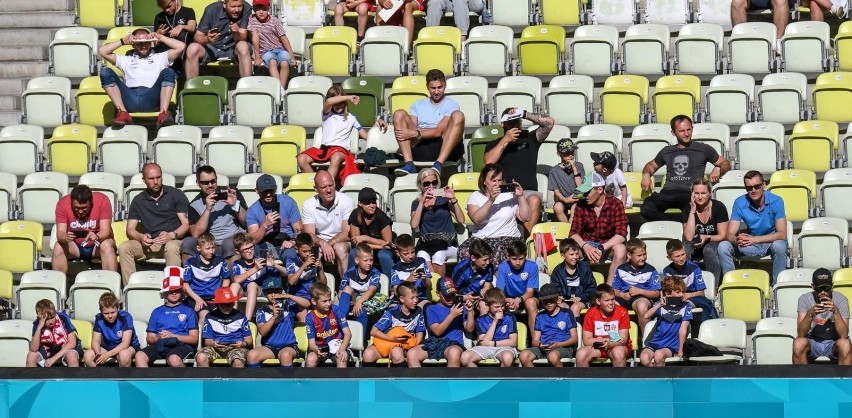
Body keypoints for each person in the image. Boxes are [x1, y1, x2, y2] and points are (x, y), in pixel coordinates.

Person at [640, 115, 730, 222]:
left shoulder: (703, 149)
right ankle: (675, 225)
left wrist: (718, 168)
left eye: (689, 129)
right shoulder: (667, 151)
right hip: (668, 192)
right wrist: (646, 175)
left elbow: (726, 163)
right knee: (646, 208)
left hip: (690, 193)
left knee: (691, 210)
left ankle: (677, 227)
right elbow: (650, 166)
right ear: (673, 133)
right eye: (682, 131)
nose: (686, 134)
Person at [483, 107, 554, 234]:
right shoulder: (494, 143)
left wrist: (525, 113)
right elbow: (489, 161)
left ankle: (525, 242)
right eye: (510, 122)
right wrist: (506, 140)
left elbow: (549, 123)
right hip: (503, 191)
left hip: (527, 192)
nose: (514, 124)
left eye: (517, 121)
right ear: (502, 123)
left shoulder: (531, 138)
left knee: (534, 200)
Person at [98, 27, 184, 128]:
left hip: (151, 96)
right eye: (139, 43)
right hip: (130, 97)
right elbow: (102, 51)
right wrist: (122, 41)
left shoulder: (160, 57)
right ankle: (122, 112)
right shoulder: (126, 59)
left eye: (146, 42)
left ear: (151, 42)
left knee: (168, 72)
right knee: (105, 72)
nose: (143, 46)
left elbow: (181, 46)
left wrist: (160, 37)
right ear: (133, 44)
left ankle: (163, 113)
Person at [297, 86, 385, 183]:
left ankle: (327, 184)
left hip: (342, 151)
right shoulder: (327, 114)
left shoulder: (352, 118)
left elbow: (366, 136)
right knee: (301, 159)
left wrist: (377, 124)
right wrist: (348, 97)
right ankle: (316, 185)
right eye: (337, 103)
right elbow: (329, 101)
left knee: (336, 156)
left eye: (341, 103)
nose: (339, 106)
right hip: (325, 150)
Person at [119, 163, 189, 285]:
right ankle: (130, 290)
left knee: (171, 247)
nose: (156, 182)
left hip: (173, 240)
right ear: (144, 180)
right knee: (125, 247)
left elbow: (186, 224)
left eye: (158, 177)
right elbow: (130, 229)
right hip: (150, 243)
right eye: (151, 179)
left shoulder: (176, 194)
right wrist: (140, 237)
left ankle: (175, 289)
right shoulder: (138, 200)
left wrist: (172, 235)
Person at [719, 170, 788, 285]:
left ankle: (777, 285)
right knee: (723, 246)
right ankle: (731, 284)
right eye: (749, 187)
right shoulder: (740, 203)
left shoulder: (776, 201)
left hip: (770, 242)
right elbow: (729, 234)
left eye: (757, 186)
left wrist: (754, 239)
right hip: (750, 244)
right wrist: (737, 240)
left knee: (780, 245)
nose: (753, 190)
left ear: (764, 185)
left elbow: (782, 234)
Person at [392, 69, 465, 176]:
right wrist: (415, 133)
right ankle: (409, 164)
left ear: (445, 86)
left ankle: (438, 164)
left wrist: (417, 133)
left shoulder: (451, 105)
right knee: (399, 114)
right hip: (420, 143)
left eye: (439, 87)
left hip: (442, 143)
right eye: (433, 88)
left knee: (458, 115)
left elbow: (439, 131)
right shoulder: (417, 104)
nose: (436, 92)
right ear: (427, 87)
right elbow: (410, 128)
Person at [457, 163, 530, 265]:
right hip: (483, 238)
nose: (497, 184)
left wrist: (521, 196)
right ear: (484, 181)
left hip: (508, 237)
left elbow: (525, 217)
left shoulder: (509, 196)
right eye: (493, 180)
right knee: (464, 250)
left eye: (499, 180)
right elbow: (477, 219)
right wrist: (491, 200)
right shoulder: (475, 196)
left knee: (501, 250)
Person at [568, 173, 628, 282]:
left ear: (600, 189)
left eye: (587, 192)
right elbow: (573, 233)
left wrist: (601, 248)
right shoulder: (581, 206)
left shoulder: (616, 204)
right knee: (571, 250)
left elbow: (621, 234)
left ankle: (610, 289)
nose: (585, 196)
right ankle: (578, 288)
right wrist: (586, 247)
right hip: (587, 243)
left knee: (621, 249)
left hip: (608, 245)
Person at [182, 165, 247, 263]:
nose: (210, 185)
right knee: (187, 243)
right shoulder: (194, 204)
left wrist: (235, 205)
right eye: (205, 182)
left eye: (213, 181)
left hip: (233, 238)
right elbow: (196, 234)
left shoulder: (231, 194)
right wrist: (208, 209)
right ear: (198, 183)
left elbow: (246, 221)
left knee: (228, 243)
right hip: (210, 243)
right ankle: (190, 276)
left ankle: (235, 277)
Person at [135, 270, 198, 368]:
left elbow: (194, 339)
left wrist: (173, 336)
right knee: (140, 356)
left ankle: (186, 382)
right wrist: (159, 337)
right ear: (165, 292)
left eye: (177, 290)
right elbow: (150, 338)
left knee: (174, 360)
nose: (174, 293)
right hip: (161, 344)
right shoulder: (157, 311)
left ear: (182, 292)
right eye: (171, 291)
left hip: (181, 346)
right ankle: (148, 382)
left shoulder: (189, 311)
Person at [246, 277, 311, 367]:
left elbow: (307, 304)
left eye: (276, 291)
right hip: (269, 347)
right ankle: (258, 381)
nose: (273, 295)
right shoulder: (261, 311)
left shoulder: (288, 306)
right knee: (252, 355)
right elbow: (262, 332)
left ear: (281, 291)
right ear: (264, 293)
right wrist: (274, 317)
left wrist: (289, 296)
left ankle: (287, 381)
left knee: (285, 355)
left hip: (289, 346)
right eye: (269, 292)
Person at [411, 167, 464, 276]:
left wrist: (453, 200)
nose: (431, 186)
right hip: (427, 244)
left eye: (434, 182)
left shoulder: (444, 200)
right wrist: (422, 203)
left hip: (447, 243)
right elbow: (414, 224)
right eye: (426, 184)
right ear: (420, 185)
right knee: (421, 255)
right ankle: (434, 287)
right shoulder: (416, 203)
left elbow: (461, 219)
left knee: (438, 255)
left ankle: (439, 287)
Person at [52, 184, 116, 274]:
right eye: (77, 208)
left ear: (91, 202)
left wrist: (97, 236)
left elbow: (106, 230)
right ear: (71, 203)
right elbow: (60, 233)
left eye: (84, 208)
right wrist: (64, 236)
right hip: (74, 245)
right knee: (58, 246)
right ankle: (58, 284)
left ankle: (111, 282)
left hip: (97, 244)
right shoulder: (63, 204)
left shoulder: (102, 200)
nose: (81, 211)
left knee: (106, 245)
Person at [302, 170, 356, 277]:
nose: (328, 190)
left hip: (342, 241)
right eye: (323, 187)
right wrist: (322, 244)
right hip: (319, 242)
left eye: (331, 185)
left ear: (335, 184)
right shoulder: (308, 205)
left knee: (340, 248)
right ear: (316, 189)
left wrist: (328, 244)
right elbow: (310, 235)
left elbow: (346, 232)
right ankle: (315, 288)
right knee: (313, 252)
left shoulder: (347, 201)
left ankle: (345, 287)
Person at [793, 268, 852, 365]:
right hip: (812, 340)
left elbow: (844, 335)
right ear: (813, 286)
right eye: (819, 288)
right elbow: (801, 334)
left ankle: (844, 380)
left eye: (827, 288)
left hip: (833, 341)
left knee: (845, 344)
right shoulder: (805, 299)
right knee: (798, 343)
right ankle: (801, 379)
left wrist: (836, 312)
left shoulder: (841, 300)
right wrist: (810, 314)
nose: (823, 292)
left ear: (832, 286)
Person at [361, 282, 427, 367]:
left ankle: (401, 379)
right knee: (368, 354)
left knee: (397, 352)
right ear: (402, 299)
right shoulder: (392, 313)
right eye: (412, 298)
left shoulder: (419, 312)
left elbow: (419, 337)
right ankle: (370, 380)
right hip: (387, 343)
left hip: (405, 346)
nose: (416, 301)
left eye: (417, 297)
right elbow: (374, 331)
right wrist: (393, 339)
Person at [415, 277, 475, 367]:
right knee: (412, 354)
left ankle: (451, 381)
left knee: (454, 353)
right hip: (435, 343)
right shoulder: (431, 309)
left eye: (453, 295)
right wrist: (452, 316)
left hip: (453, 344)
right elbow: (437, 331)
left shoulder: (460, 307)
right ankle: (421, 381)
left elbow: (469, 329)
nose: (451, 298)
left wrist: (470, 312)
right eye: (447, 296)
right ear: (438, 294)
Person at [185, 0, 252, 79]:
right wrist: (207, 39)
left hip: (233, 47)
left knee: (243, 46)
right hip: (213, 47)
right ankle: (191, 87)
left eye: (239, 6)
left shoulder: (246, 8)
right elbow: (197, 37)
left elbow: (243, 37)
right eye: (233, 7)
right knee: (192, 48)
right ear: (224, 4)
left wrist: (236, 32)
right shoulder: (211, 10)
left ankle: (247, 86)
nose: (237, 10)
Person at [519, 283, 578, 368]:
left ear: (557, 299)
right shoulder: (539, 316)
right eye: (545, 301)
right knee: (524, 355)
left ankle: (562, 380)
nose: (549, 303)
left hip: (563, 347)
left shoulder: (567, 313)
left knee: (553, 356)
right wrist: (539, 345)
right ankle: (536, 379)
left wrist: (559, 345)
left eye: (551, 300)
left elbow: (574, 338)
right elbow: (535, 340)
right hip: (544, 348)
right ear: (542, 301)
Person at [246, 174, 302, 261]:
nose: (268, 194)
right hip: (265, 244)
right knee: (255, 254)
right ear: (257, 191)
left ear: (275, 189)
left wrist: (292, 242)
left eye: (271, 190)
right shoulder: (252, 211)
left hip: (287, 243)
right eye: (264, 191)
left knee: (291, 255)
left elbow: (299, 230)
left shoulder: (288, 202)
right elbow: (253, 241)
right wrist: (265, 225)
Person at [575, 284, 633, 367]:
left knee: (618, 352)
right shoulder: (591, 313)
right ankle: (585, 380)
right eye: (607, 300)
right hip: (598, 346)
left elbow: (623, 340)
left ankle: (619, 379)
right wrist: (604, 341)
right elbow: (587, 340)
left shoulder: (622, 312)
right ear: (598, 301)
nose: (611, 303)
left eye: (612, 299)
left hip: (618, 346)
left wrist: (609, 344)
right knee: (581, 354)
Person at [230, 232, 285, 321]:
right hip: (244, 291)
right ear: (238, 251)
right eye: (245, 249)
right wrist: (255, 269)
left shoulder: (261, 260)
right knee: (234, 285)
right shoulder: (237, 264)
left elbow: (286, 273)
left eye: (251, 247)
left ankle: (246, 321)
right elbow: (236, 280)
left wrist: (274, 265)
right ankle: (232, 317)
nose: (249, 251)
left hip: (260, 290)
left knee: (251, 285)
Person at [640, 276, 692, 367]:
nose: (681, 295)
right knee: (644, 358)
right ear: (668, 292)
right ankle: (655, 378)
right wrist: (659, 305)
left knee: (659, 356)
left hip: (672, 346)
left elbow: (683, 329)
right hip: (656, 342)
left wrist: (681, 350)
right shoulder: (661, 306)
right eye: (678, 292)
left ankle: (660, 380)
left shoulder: (686, 306)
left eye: (683, 292)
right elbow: (646, 316)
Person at [682, 178, 728, 282]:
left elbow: (723, 235)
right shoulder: (687, 208)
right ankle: (685, 283)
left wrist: (707, 237)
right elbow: (689, 237)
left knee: (709, 249)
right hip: (695, 243)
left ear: (709, 194)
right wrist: (692, 211)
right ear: (692, 194)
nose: (699, 197)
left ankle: (713, 286)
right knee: (686, 247)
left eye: (703, 193)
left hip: (714, 241)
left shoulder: (718, 207)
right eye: (696, 193)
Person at [612, 238, 660, 335]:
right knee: (612, 304)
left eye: (644, 254)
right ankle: (615, 338)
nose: (642, 258)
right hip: (624, 297)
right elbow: (614, 290)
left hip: (642, 297)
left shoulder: (650, 270)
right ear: (629, 255)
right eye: (639, 255)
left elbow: (656, 293)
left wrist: (640, 291)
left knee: (641, 305)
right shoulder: (621, 269)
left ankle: (646, 340)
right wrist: (622, 295)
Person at [460, 288, 518, 367]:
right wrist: (494, 322)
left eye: (502, 306)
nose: (500, 310)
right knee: (465, 357)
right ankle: (481, 379)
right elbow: (484, 342)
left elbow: (513, 342)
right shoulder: (481, 320)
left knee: (507, 357)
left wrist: (493, 344)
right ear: (487, 305)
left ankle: (500, 379)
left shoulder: (510, 318)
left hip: (504, 348)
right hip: (485, 348)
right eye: (496, 307)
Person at [195, 287, 252, 368]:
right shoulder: (210, 317)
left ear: (233, 303)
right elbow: (207, 341)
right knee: (201, 357)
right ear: (217, 304)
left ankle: (237, 380)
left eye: (228, 303)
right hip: (215, 348)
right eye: (223, 304)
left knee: (238, 361)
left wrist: (243, 344)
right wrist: (213, 344)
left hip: (235, 348)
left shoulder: (241, 316)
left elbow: (249, 340)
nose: (226, 306)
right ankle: (207, 380)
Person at [183, 232, 232, 324]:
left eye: (213, 248)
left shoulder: (220, 260)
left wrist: (220, 294)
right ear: (199, 248)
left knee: (219, 318)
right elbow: (185, 285)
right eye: (207, 248)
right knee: (205, 318)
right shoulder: (191, 262)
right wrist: (197, 299)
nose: (211, 251)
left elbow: (226, 279)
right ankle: (202, 338)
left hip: (214, 298)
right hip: (197, 297)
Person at [338, 242, 388, 332]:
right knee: (347, 289)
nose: (369, 263)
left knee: (360, 310)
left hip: (367, 301)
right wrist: (352, 302)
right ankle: (340, 324)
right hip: (352, 301)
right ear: (357, 260)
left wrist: (359, 302)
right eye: (366, 260)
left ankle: (361, 341)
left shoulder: (375, 273)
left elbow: (371, 290)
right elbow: (340, 293)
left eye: (371, 260)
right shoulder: (349, 273)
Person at [663, 239, 718, 320]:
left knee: (683, 305)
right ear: (669, 258)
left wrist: (687, 295)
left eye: (683, 254)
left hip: (692, 298)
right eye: (677, 256)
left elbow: (701, 293)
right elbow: (667, 292)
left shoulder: (694, 268)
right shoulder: (667, 271)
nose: (681, 258)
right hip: (674, 298)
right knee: (663, 305)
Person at [248, 0, 296, 92]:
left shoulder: (274, 21)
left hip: (280, 49)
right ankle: (279, 89)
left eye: (264, 9)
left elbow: (283, 38)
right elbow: (255, 38)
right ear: (254, 9)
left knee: (285, 63)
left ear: (269, 8)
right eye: (258, 9)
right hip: (266, 51)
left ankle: (281, 89)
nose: (261, 12)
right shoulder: (252, 20)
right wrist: (257, 56)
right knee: (272, 62)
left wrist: (292, 56)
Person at [347, 187, 395, 279]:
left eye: (374, 202)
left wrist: (366, 238)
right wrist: (380, 245)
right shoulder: (355, 215)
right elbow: (357, 244)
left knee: (383, 255)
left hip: (383, 250)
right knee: (354, 253)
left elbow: (388, 243)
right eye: (368, 203)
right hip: (371, 248)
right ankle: (350, 283)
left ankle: (393, 286)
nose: (372, 205)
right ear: (360, 203)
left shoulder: (381, 217)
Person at [82, 293, 140, 367]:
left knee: (124, 355)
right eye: (106, 313)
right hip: (108, 347)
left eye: (113, 312)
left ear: (118, 308)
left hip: (128, 347)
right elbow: (95, 341)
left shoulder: (125, 317)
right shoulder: (99, 319)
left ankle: (122, 378)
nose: (110, 316)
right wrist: (98, 353)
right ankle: (100, 377)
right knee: (88, 356)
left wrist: (107, 355)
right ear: (101, 311)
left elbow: (125, 343)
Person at [495, 239, 539, 334]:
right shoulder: (503, 267)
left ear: (525, 256)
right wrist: (506, 300)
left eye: (521, 258)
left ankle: (536, 339)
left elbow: (530, 292)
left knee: (530, 303)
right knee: (498, 303)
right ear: (508, 256)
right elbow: (499, 291)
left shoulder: (532, 266)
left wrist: (519, 299)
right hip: (509, 299)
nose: (518, 263)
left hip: (527, 297)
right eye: (514, 259)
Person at [305, 282, 352, 368]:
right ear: (314, 301)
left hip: (338, 345)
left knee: (341, 358)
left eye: (329, 300)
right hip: (321, 347)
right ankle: (311, 381)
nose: (328, 303)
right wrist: (317, 350)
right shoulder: (310, 317)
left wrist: (342, 349)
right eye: (324, 301)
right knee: (311, 359)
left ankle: (343, 381)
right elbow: (311, 343)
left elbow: (348, 334)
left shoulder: (336, 310)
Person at [284, 232, 328, 321]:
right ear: (296, 249)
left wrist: (320, 269)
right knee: (305, 318)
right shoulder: (291, 261)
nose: (308, 254)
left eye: (310, 250)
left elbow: (324, 284)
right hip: (297, 299)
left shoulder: (314, 260)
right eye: (304, 251)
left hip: (312, 297)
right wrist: (304, 265)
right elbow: (291, 281)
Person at [26, 299, 82, 367]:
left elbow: (72, 343)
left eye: (52, 317)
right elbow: (34, 349)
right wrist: (39, 327)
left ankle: (74, 377)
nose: (50, 322)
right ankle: (32, 377)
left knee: (71, 356)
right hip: (49, 349)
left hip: (66, 346)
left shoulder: (63, 318)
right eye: (46, 319)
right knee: (31, 356)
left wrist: (53, 359)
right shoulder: (37, 324)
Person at [549, 238, 597, 318]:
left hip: (583, 300)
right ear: (562, 255)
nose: (575, 257)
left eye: (577, 254)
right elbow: (555, 288)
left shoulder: (585, 268)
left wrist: (581, 297)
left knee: (575, 307)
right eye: (571, 254)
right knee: (561, 307)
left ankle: (576, 329)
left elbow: (592, 288)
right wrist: (559, 297)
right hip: (566, 301)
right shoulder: (557, 271)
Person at [548, 138, 585, 223]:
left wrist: (574, 168)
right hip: (564, 200)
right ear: (559, 154)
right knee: (557, 207)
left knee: (574, 208)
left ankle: (571, 230)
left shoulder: (579, 166)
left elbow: (580, 186)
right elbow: (556, 191)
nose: (570, 155)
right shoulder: (554, 171)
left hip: (577, 199)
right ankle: (566, 228)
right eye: (567, 153)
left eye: (572, 152)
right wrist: (565, 200)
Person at [153, 0, 196, 73]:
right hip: (167, 50)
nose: (167, 10)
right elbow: (155, 42)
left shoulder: (188, 11)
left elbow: (192, 28)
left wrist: (181, 26)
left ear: (175, 1)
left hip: (184, 47)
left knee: (183, 34)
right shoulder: (159, 17)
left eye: (169, 6)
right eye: (163, 8)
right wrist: (158, 33)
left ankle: (177, 67)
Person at [390, 234, 432, 308]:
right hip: (403, 300)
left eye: (412, 252)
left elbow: (429, 285)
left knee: (427, 308)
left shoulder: (421, 262)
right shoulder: (395, 269)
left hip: (420, 297)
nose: (410, 256)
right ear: (397, 253)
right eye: (406, 254)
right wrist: (408, 281)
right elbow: (396, 292)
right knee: (392, 308)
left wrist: (425, 279)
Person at [451, 238, 494, 305]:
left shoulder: (489, 267)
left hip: (479, 298)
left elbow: (487, 283)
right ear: (473, 258)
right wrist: (464, 298)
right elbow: (451, 295)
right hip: (463, 299)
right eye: (485, 260)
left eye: (489, 259)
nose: (488, 262)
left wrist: (485, 291)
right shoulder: (461, 270)